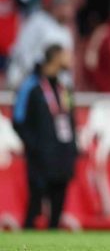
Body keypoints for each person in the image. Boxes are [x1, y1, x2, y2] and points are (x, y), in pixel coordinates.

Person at [12, 44, 77, 229]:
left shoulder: (64, 88)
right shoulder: (30, 86)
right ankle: (24, 249)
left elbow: (69, 120)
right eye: (65, 54)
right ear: (55, 57)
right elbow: (18, 120)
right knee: (36, 205)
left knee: (58, 207)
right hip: (40, 158)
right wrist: (35, 146)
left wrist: (72, 148)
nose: (69, 58)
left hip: (62, 155)